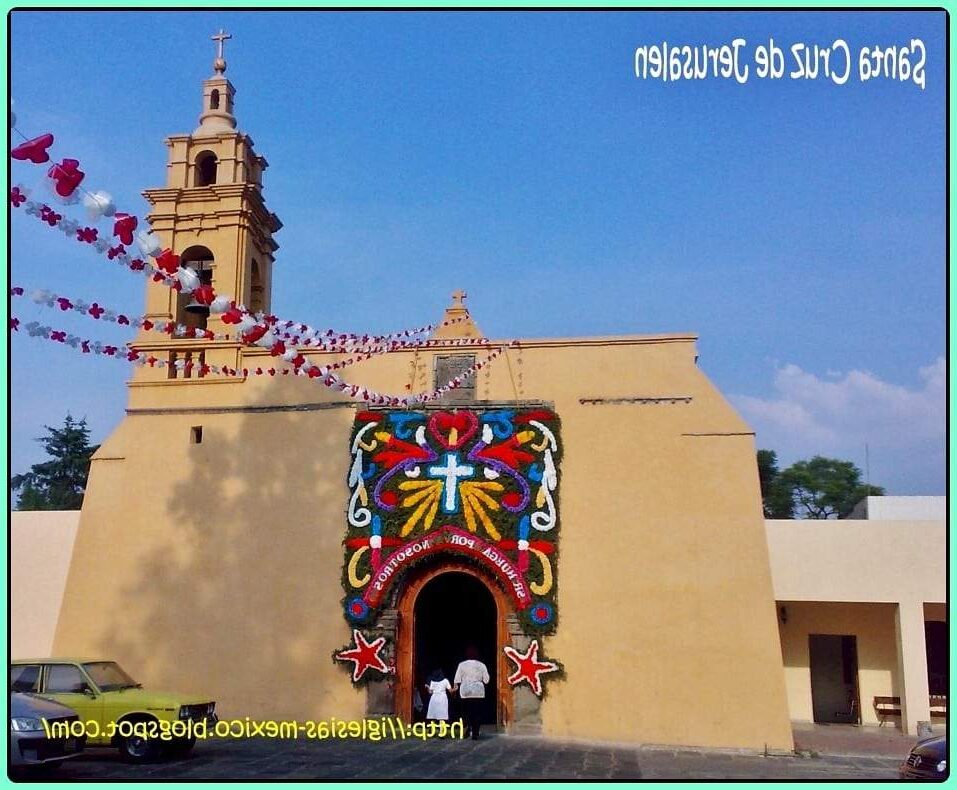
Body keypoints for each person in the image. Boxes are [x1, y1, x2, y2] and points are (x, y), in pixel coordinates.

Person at [453, 646, 490, 740]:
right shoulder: (481, 665)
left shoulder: (462, 665)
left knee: (466, 712)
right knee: (477, 712)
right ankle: (475, 732)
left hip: (465, 691)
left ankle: (467, 729)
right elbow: (486, 680)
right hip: (478, 692)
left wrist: (455, 689)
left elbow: (457, 679)